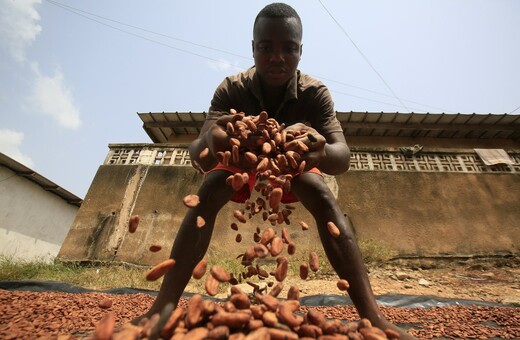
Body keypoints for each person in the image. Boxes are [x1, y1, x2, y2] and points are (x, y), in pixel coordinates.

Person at [139, 3, 414, 338]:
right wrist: (212, 139)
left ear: (300, 51)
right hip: (241, 159)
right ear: (253, 49)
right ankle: (161, 309)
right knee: (208, 193)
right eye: (266, 48)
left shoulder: (314, 93)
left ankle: (372, 315)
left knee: (323, 196)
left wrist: (321, 149)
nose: (277, 57)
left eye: (288, 49)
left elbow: (342, 157)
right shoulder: (232, 89)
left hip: (289, 165)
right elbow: (198, 154)